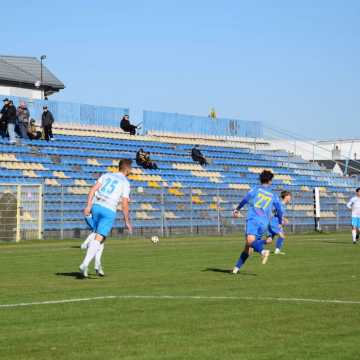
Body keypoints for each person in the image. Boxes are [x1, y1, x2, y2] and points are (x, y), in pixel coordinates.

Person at [79, 159, 133, 278]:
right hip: (108, 210)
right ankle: (85, 263)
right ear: (127, 169)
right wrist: (127, 221)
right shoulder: (125, 182)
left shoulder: (106, 175)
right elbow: (124, 204)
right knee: (98, 238)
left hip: (96, 206)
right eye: (131, 168)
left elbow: (93, 190)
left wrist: (88, 205)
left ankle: (98, 265)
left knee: (101, 237)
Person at [232, 170, 283, 274]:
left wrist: (237, 209)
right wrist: (280, 222)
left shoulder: (255, 189)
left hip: (254, 219)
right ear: (269, 181)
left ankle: (263, 251)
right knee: (248, 247)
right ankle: (235, 269)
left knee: (250, 242)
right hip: (264, 223)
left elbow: (245, 199)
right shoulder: (273, 195)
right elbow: (279, 210)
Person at [267, 190, 292, 255]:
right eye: (289, 196)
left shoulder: (282, 205)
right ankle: (277, 250)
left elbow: (275, 213)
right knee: (282, 236)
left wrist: (282, 220)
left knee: (269, 240)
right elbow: (278, 214)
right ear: (286, 197)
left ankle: (254, 245)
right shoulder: (280, 204)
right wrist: (284, 220)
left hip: (275, 222)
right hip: (274, 223)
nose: (290, 198)